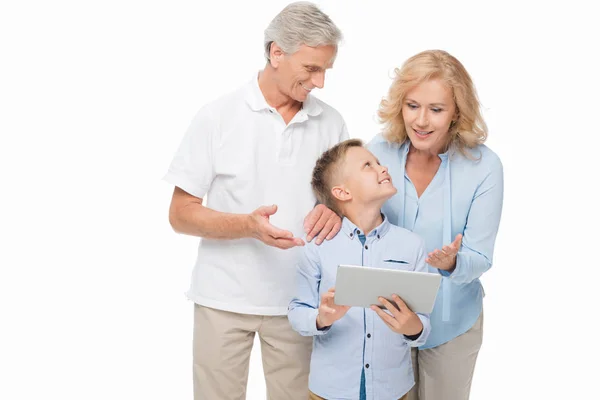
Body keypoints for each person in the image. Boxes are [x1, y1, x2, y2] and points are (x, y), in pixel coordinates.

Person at [163, 3, 347, 399]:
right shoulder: (217, 116)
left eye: (325, 70)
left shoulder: (331, 123)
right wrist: (247, 225)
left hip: (300, 303)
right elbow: (180, 214)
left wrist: (334, 211)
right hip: (222, 301)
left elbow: (345, 203)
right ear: (276, 52)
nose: (320, 82)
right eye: (312, 68)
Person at [368, 49, 504, 400]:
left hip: (451, 325)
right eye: (412, 105)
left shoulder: (484, 167)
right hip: (387, 321)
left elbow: (480, 256)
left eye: (436, 109)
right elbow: (352, 214)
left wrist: (453, 262)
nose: (421, 121)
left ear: (457, 111)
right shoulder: (378, 152)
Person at [288, 139, 431, 400]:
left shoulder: (412, 245)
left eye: (378, 162)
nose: (382, 168)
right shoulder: (318, 246)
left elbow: (423, 323)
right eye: (368, 165)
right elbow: (297, 311)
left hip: (393, 390)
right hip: (330, 391)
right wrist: (322, 318)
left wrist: (414, 327)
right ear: (342, 192)